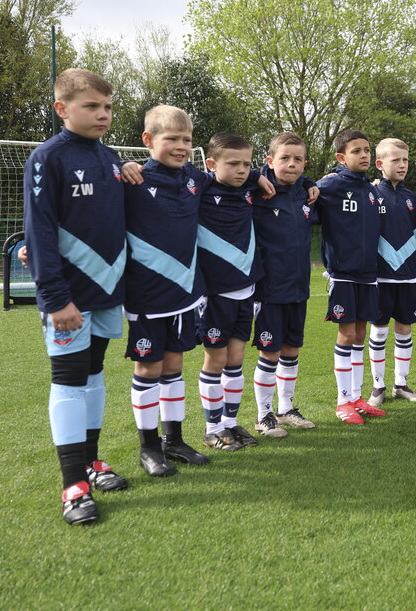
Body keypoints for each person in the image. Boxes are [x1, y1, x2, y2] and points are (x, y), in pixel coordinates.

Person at [24, 68, 129, 524]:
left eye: (107, 107)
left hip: (107, 293)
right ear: (61, 108)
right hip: (68, 299)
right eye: (92, 106)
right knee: (68, 381)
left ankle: (90, 461)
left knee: (93, 376)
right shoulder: (48, 158)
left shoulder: (111, 158)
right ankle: (73, 488)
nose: (102, 114)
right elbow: (40, 230)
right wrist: (54, 297)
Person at [121, 106, 218, 476]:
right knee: (148, 366)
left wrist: (262, 177)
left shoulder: (194, 177)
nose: (181, 146)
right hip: (146, 294)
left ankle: (173, 440)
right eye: (172, 139)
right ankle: (148, 448)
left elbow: (228, 172)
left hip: (185, 293)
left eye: (187, 140)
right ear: (148, 141)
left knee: (174, 365)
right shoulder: (131, 179)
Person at [195, 133, 266, 450]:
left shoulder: (250, 187)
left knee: (236, 358)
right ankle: (213, 429)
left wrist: (257, 176)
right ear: (211, 164)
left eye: (246, 164)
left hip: (246, 289)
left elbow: (278, 173)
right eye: (233, 164)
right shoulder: (201, 188)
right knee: (215, 358)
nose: (241, 170)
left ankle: (231, 424)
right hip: (214, 292)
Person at [315, 129, 387, 424]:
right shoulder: (330, 185)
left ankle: (357, 397)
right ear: (341, 157)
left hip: (368, 274)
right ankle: (342, 401)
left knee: (359, 334)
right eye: (357, 151)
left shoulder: (371, 190)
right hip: (343, 274)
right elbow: (305, 190)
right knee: (346, 334)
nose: (364, 155)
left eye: (367, 150)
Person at [250, 132, 319, 434]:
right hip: (269, 288)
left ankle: (286, 408)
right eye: (284, 158)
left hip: (298, 286)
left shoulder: (306, 193)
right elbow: (222, 174)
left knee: (292, 349)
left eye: (298, 159)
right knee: (270, 351)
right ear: (269, 161)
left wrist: (310, 182)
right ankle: (263, 415)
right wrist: (255, 175)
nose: (291, 164)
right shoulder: (256, 190)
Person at [367, 138, 416, 406]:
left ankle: (401, 384)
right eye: (396, 160)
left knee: (405, 329)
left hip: (407, 276)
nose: (402, 165)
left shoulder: (412, 197)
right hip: (379, 277)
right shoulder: (371, 192)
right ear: (379, 164)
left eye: (406, 160)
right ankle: (378, 386)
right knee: (379, 330)